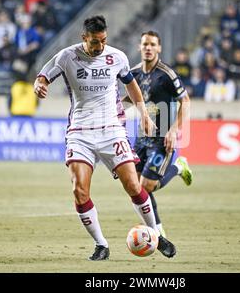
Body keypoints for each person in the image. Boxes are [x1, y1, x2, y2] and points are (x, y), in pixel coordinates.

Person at [34, 16, 176, 260]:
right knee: (79, 191)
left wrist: (143, 113)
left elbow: (131, 85)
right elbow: (43, 75)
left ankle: (156, 234)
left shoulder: (117, 57)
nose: (99, 46)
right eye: (94, 42)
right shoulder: (66, 56)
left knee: (134, 185)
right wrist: (40, 84)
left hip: (112, 130)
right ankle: (101, 245)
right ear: (84, 39)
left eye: (103, 41)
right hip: (80, 132)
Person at [125, 31, 193, 237]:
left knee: (148, 185)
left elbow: (186, 102)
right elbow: (132, 97)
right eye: (145, 44)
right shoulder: (133, 73)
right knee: (136, 189)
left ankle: (178, 167)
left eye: (152, 44)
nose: (148, 47)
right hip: (141, 138)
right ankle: (158, 231)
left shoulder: (167, 74)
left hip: (162, 138)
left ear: (159, 48)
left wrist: (174, 130)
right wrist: (117, 106)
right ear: (140, 47)